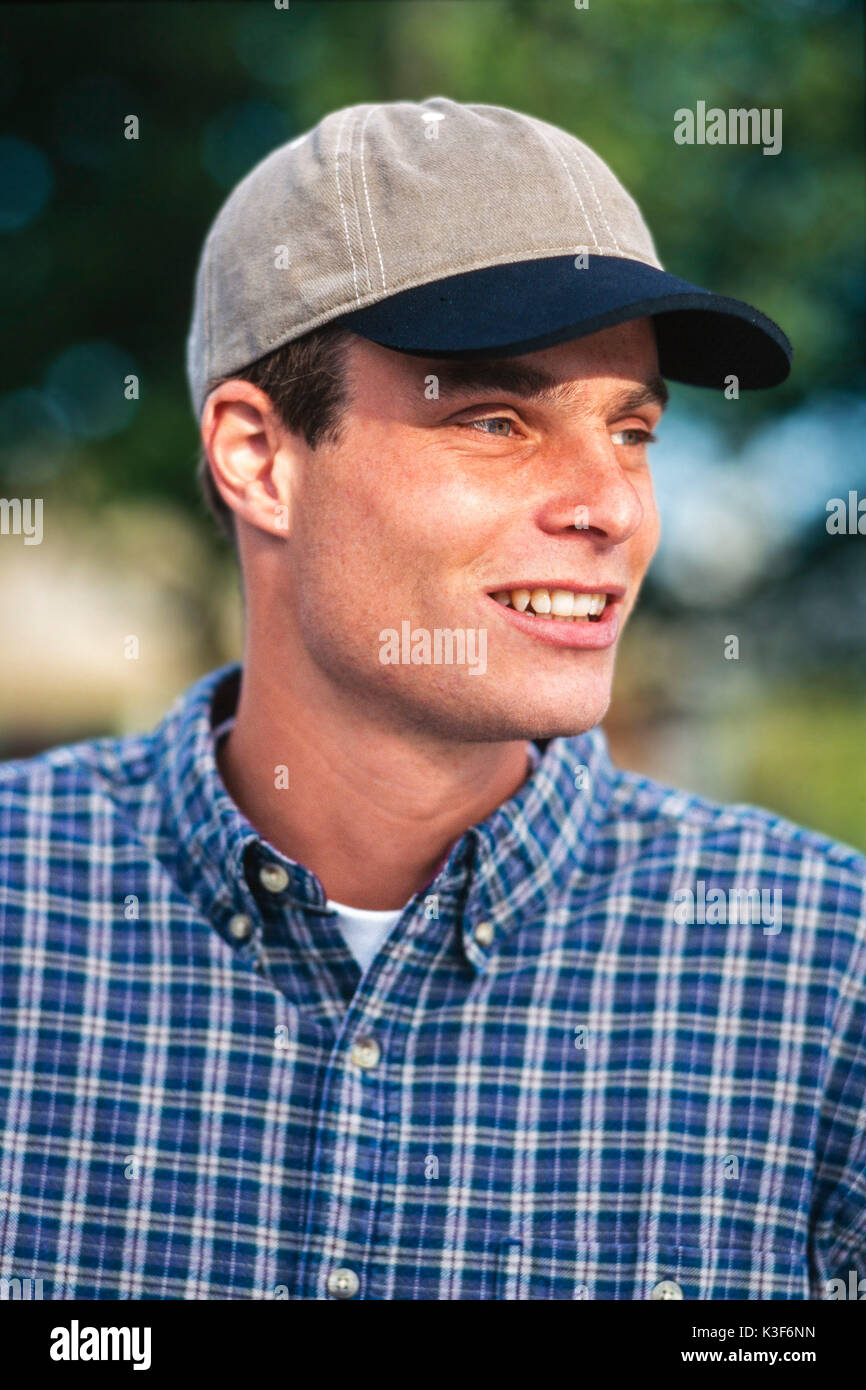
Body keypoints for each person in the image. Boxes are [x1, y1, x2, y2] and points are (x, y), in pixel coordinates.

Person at [1, 97, 863, 1301]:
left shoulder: (827, 983)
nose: (607, 506)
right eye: (496, 419)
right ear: (259, 456)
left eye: (630, 431)